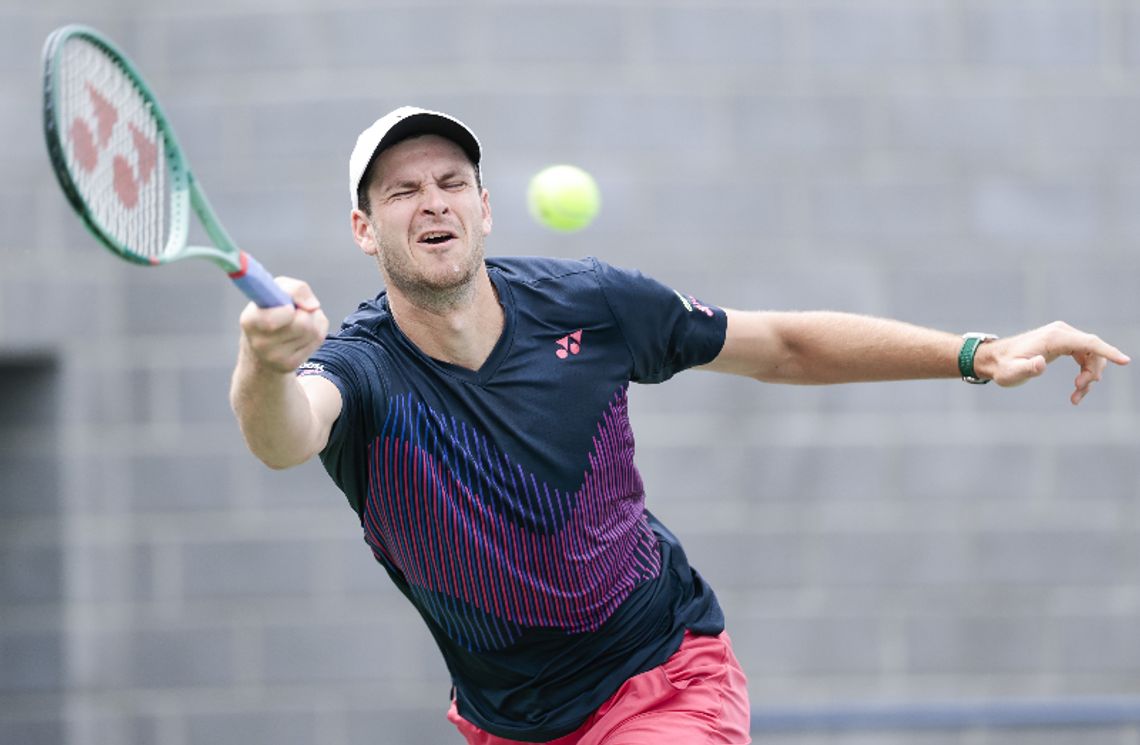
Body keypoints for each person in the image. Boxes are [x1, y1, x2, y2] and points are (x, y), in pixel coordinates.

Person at [229, 106, 1129, 745]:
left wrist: (975, 351)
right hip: (508, 721)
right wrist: (264, 363)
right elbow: (284, 434)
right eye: (402, 191)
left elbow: (781, 345)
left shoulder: (589, 301)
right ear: (363, 227)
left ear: (484, 207)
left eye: (452, 181)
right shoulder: (359, 366)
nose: (434, 200)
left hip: (662, 673)